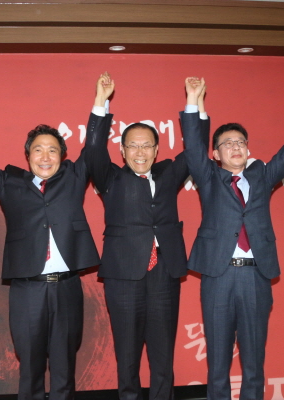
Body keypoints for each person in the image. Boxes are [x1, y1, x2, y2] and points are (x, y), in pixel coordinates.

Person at [0, 82, 108, 400]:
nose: (45, 156)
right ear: (28, 154)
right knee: (30, 367)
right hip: (27, 289)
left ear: (62, 156)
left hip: (67, 288)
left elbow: (93, 147)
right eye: (38, 149)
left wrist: (100, 101)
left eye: (52, 150)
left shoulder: (74, 177)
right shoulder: (10, 183)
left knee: (64, 367)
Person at [181, 77, 284, 400]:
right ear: (216, 153)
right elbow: (193, 147)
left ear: (248, 149)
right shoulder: (209, 177)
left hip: (256, 276)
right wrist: (193, 101)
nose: (235, 147)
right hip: (219, 275)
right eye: (227, 143)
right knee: (218, 362)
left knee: (254, 360)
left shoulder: (262, 175)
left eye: (240, 142)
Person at [84, 72, 210, 400]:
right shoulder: (110, 178)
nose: (140, 152)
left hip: (164, 273)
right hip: (122, 277)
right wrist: (100, 102)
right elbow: (93, 148)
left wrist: (193, 103)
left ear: (156, 150)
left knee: (162, 356)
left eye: (146, 145)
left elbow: (196, 150)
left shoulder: (168, 173)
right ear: (122, 150)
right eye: (133, 145)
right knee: (127, 356)